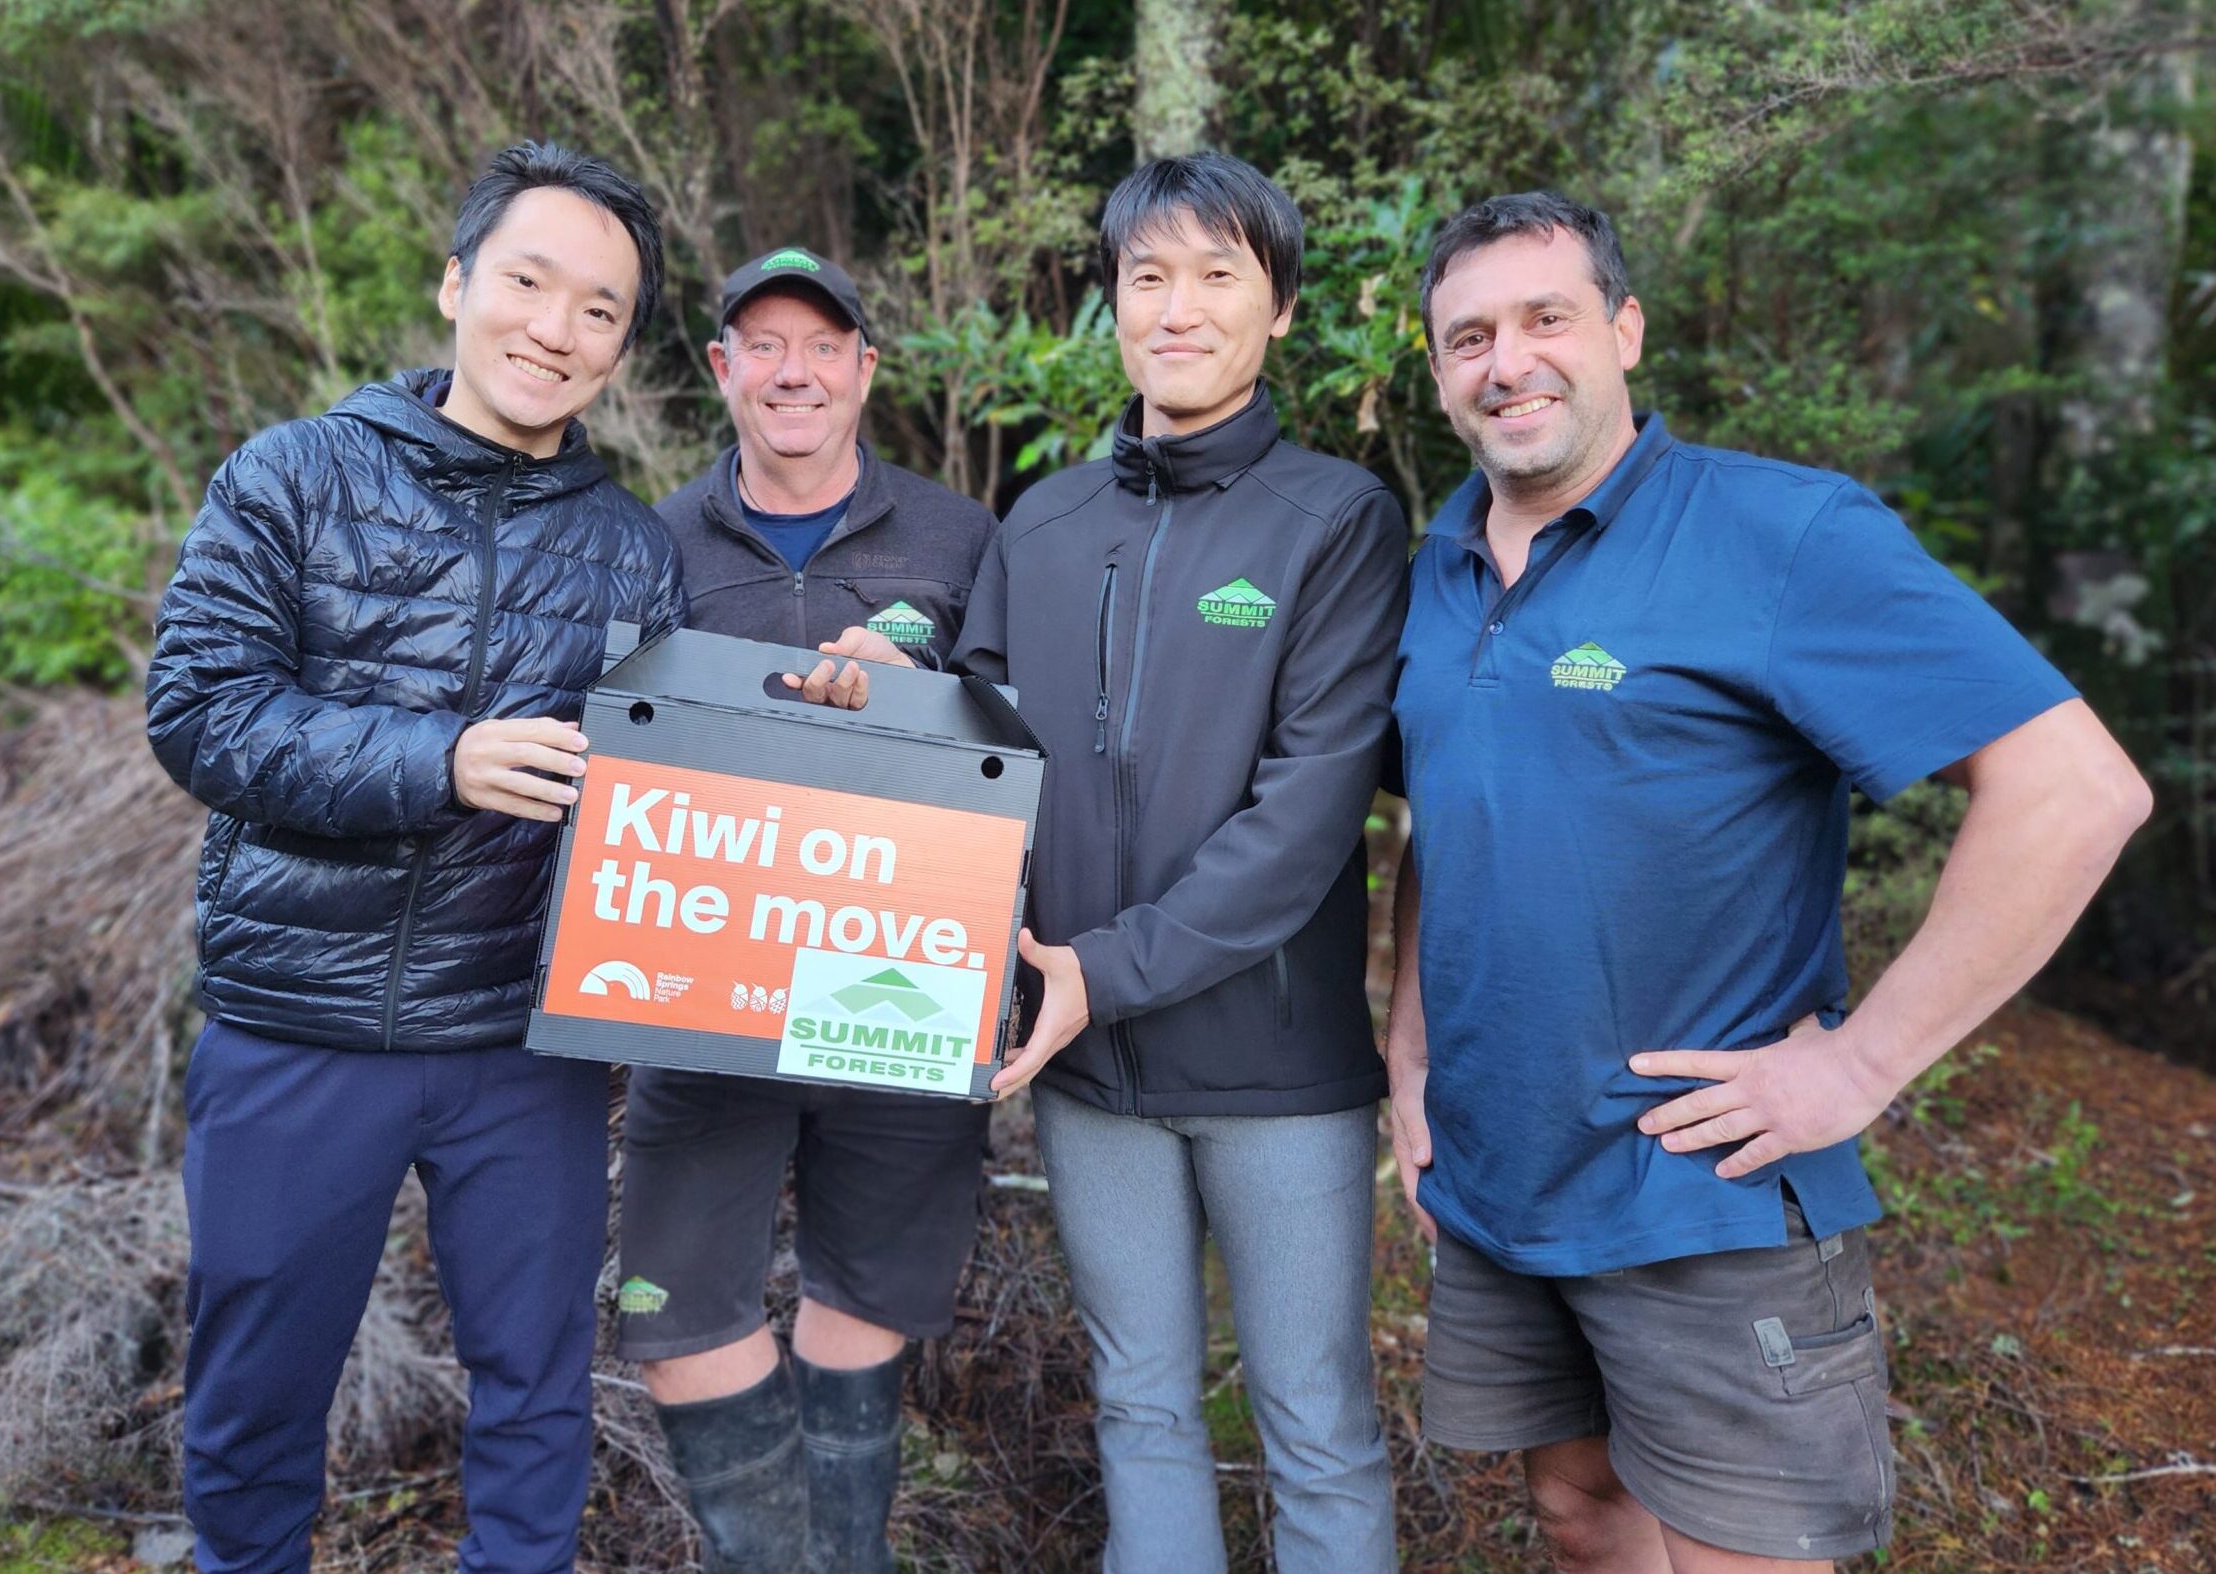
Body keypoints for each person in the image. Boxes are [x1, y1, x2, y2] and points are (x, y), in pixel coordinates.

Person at [1383, 190, 2152, 1572]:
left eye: (1546, 318)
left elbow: (2077, 792)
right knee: (1578, 1510)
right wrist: (1409, 1050)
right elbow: (1454, 810)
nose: (1508, 361)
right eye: (1469, 336)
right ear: (1438, 370)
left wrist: (1858, 1069)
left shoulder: (1779, 537)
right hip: (1503, 1181)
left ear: (1624, 327)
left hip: (1705, 1188)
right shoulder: (1435, 569)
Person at [146, 143, 857, 1574]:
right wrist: (438, 760)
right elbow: (201, 711)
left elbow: (675, 792)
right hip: (299, 1028)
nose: (557, 327)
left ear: (623, 347)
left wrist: (836, 715)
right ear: (458, 281)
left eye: (600, 309)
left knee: (535, 1390)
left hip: (520, 1047)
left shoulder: (625, 550)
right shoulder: (293, 474)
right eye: (530, 283)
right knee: (251, 1396)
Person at [833, 151, 1406, 1574]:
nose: (1179, 306)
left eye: (1219, 275)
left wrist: (1101, 969)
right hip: (1086, 1073)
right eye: (1147, 277)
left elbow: (1308, 815)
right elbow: (981, 750)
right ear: (1112, 306)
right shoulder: (1048, 519)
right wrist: (875, 693)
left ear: (1279, 309)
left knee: (1317, 1416)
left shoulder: (1335, 520)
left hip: (1277, 1071)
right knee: (1141, 1404)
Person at [618, 246, 996, 1574]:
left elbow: (1021, 736)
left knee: (865, 1300)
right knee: (673, 1308)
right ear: (720, 370)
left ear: (863, 370)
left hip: (890, 978)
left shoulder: (959, 537)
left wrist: (915, 684)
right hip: (701, 989)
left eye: (821, 345)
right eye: (761, 345)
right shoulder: (647, 542)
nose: (793, 370)